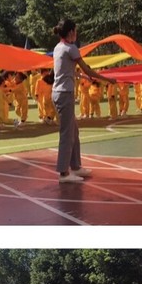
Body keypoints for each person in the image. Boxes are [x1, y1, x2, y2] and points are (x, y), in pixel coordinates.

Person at [52, 19, 111, 183]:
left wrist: (83, 76)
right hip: (64, 94)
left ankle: (76, 166)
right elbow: (87, 69)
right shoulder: (71, 48)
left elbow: (66, 70)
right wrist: (108, 79)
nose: (76, 34)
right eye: (75, 31)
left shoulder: (58, 48)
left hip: (59, 93)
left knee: (73, 131)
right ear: (71, 32)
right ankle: (64, 173)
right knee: (67, 134)